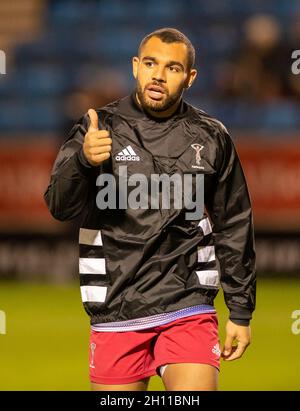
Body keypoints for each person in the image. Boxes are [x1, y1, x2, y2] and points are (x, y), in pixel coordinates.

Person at [44, 27, 256, 391]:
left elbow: (233, 223)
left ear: (189, 77)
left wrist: (240, 309)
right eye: (150, 63)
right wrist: (82, 161)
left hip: (188, 304)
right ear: (135, 67)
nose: (158, 75)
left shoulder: (211, 136)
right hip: (115, 308)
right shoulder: (98, 129)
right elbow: (59, 207)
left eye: (173, 68)